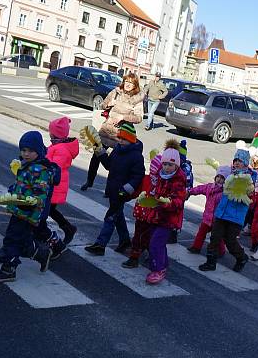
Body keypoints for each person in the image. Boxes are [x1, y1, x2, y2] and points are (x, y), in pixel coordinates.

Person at [0, 131, 54, 282]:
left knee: (12, 239)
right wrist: (13, 191)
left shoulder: (40, 170)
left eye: (30, 151)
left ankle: (8, 269)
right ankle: (42, 253)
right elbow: (22, 186)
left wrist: (31, 203)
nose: (26, 154)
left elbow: (41, 193)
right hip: (19, 209)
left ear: (38, 151)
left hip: (27, 212)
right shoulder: (27, 166)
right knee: (22, 241)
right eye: (23, 150)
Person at [84, 122, 145, 256]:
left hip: (122, 192)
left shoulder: (136, 156)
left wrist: (127, 189)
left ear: (131, 139)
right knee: (117, 215)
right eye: (120, 138)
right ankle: (124, 241)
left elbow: (138, 175)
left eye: (124, 139)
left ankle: (100, 244)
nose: (121, 141)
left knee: (110, 217)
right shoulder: (117, 149)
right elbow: (108, 165)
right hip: (112, 189)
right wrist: (99, 150)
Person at [82, 72, 144, 190]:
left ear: (135, 85)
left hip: (121, 134)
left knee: (114, 163)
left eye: (131, 82)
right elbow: (102, 105)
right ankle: (89, 181)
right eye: (126, 81)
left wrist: (123, 117)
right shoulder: (116, 92)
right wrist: (109, 104)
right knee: (96, 156)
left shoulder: (137, 99)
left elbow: (139, 118)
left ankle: (108, 189)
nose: (128, 84)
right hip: (106, 129)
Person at [199, 148, 256, 272]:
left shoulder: (249, 178)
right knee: (214, 237)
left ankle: (241, 257)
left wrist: (248, 192)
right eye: (235, 160)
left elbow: (250, 195)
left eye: (240, 161)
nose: (236, 163)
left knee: (230, 241)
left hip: (235, 216)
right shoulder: (230, 174)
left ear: (246, 163)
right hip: (221, 213)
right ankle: (210, 262)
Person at [142, 147, 187, 284]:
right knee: (157, 241)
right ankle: (164, 263)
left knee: (155, 243)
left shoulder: (178, 180)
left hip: (168, 218)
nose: (167, 167)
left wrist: (165, 203)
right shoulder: (161, 175)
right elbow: (156, 192)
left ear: (176, 165)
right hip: (157, 214)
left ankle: (158, 269)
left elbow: (179, 201)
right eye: (165, 164)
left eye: (170, 165)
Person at [46, 116, 79, 244]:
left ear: (56, 134)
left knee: (47, 210)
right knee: (49, 210)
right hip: (54, 184)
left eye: (51, 133)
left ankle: (68, 228)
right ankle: (68, 228)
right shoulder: (57, 145)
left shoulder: (61, 149)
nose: (49, 134)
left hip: (55, 185)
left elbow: (54, 167)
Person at [187, 166, 230, 255]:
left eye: (222, 178)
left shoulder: (225, 193)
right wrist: (190, 191)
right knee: (201, 233)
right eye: (218, 176)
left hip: (217, 220)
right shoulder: (210, 187)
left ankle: (221, 251)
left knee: (217, 237)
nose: (219, 179)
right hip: (207, 218)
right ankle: (196, 247)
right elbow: (200, 189)